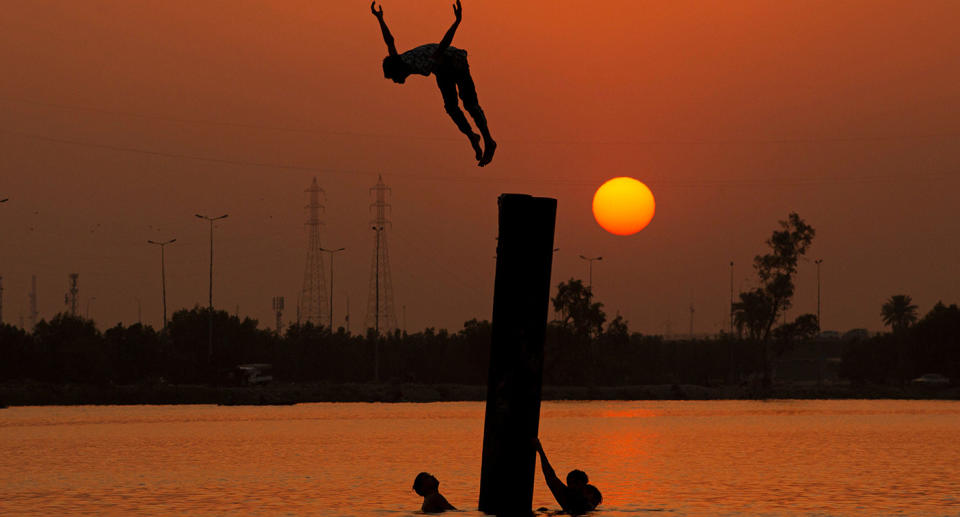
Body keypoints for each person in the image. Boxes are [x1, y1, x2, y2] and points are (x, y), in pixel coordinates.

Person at [371, 0, 497, 167]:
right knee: (451, 108)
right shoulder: (398, 59)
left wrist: (457, 22)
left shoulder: (421, 64)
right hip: (442, 71)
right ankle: (472, 137)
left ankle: (489, 141)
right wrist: (380, 18)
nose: (396, 81)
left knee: (469, 104)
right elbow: (389, 41)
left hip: (455, 62)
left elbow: (443, 45)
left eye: (395, 77)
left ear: (399, 70)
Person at [534, 438, 602, 515]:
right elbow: (550, 475)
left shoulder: (589, 493)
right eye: (571, 483)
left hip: (580, 510)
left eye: (578, 484)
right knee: (543, 509)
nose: (575, 487)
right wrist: (540, 450)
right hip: (571, 510)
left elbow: (597, 501)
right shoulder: (566, 494)